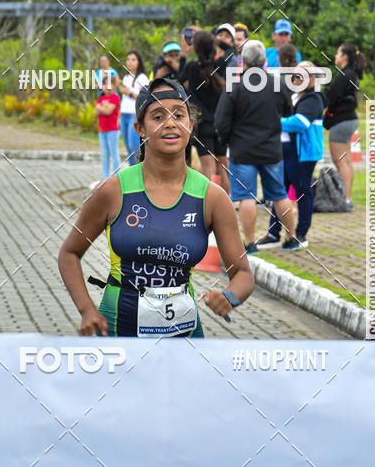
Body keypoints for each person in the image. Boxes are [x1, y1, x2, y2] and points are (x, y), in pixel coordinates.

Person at [58, 77, 254, 337]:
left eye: (179, 115)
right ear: (140, 128)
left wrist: (230, 297)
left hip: (184, 336)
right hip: (117, 333)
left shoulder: (212, 197)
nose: (170, 123)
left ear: (191, 125)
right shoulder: (113, 190)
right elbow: (69, 254)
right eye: (158, 116)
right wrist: (87, 310)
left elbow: (243, 273)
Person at [214, 39, 297, 254]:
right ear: (264, 62)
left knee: (245, 197)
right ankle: (292, 237)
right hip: (272, 149)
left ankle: (250, 243)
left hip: (243, 150)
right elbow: (288, 111)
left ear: (242, 61)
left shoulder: (235, 86)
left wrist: (226, 141)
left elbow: (221, 121)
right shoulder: (277, 84)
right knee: (279, 194)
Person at [266, 61, 324, 249]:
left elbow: (300, 122)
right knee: (278, 190)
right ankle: (273, 233)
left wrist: (274, 121)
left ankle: (300, 234)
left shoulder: (314, 99)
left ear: (313, 79)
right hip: (285, 150)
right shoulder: (291, 96)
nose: (299, 78)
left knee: (302, 191)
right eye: (297, 75)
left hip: (303, 153)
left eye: (305, 75)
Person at [178, 29, 230, 193]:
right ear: (213, 47)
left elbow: (179, 78)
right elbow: (230, 49)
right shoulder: (220, 66)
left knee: (208, 165)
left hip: (203, 124)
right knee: (222, 164)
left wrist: (184, 54)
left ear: (196, 49)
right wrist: (211, 37)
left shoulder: (191, 68)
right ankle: (230, 200)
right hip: (221, 124)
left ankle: (206, 200)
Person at [258, 43, 297, 247]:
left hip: (282, 139)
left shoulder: (277, 80)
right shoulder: (297, 78)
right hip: (290, 140)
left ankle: (281, 233)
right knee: (283, 189)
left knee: (279, 189)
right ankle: (284, 233)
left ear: (280, 58)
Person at [323, 43, 365, 210]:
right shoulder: (351, 74)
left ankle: (344, 198)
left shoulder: (345, 75)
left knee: (340, 162)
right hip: (349, 120)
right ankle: (347, 198)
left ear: (345, 57)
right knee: (346, 161)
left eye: (338, 53)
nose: (335, 56)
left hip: (341, 122)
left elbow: (330, 97)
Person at [117, 51, 149, 165]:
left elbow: (144, 98)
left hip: (134, 115)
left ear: (139, 62)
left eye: (133, 59)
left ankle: (139, 172)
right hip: (124, 115)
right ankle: (131, 172)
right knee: (127, 148)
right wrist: (119, 117)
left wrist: (129, 93)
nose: (130, 62)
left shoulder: (142, 78)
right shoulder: (126, 77)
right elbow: (123, 99)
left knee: (134, 147)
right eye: (128, 59)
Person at [94, 70, 121, 179]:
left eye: (110, 84)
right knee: (104, 154)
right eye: (105, 84)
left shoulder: (115, 97)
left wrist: (100, 107)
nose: (108, 87)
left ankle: (116, 175)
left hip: (112, 130)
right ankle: (105, 176)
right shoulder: (101, 98)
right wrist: (101, 108)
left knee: (114, 153)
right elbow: (95, 114)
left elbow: (108, 111)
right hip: (102, 130)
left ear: (114, 86)